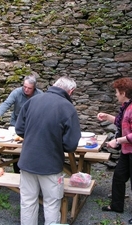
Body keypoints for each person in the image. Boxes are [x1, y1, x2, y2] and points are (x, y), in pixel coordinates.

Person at [15, 76, 81, 225]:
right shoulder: (67, 108)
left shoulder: (33, 100)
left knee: (28, 202)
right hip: (50, 164)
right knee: (51, 204)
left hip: (27, 161)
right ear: (71, 91)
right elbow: (71, 145)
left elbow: (19, 129)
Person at [97, 77, 132, 224]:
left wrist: (117, 141)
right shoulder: (128, 105)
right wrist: (107, 117)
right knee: (119, 177)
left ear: (124, 92)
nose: (115, 95)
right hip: (128, 149)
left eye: (117, 92)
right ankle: (116, 205)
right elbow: (122, 121)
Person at [0, 74, 43, 173]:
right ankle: (17, 171)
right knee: (16, 150)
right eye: (24, 87)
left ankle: (30, 170)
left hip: (32, 125)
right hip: (16, 124)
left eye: (29, 88)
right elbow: (6, 103)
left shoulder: (40, 95)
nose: (26, 90)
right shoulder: (17, 92)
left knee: (31, 148)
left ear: (34, 88)